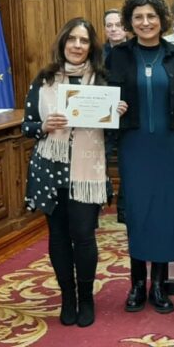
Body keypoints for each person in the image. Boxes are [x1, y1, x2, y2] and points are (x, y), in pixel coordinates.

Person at [22, 17, 126, 328]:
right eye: (72, 39)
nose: (77, 45)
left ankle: (86, 298)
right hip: (49, 169)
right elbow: (27, 126)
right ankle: (67, 298)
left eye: (83, 41)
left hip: (87, 170)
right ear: (63, 42)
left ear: (91, 47)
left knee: (83, 236)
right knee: (58, 236)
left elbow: (113, 137)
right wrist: (43, 126)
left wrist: (116, 115)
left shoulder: (104, 82)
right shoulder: (44, 80)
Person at [108, 0, 174, 315]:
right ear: (130, 23)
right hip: (135, 147)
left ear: (162, 20)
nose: (145, 22)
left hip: (171, 147)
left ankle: (160, 285)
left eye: (151, 16)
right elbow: (101, 98)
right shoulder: (118, 55)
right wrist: (111, 108)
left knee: (165, 214)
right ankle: (136, 284)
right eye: (138, 17)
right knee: (137, 214)